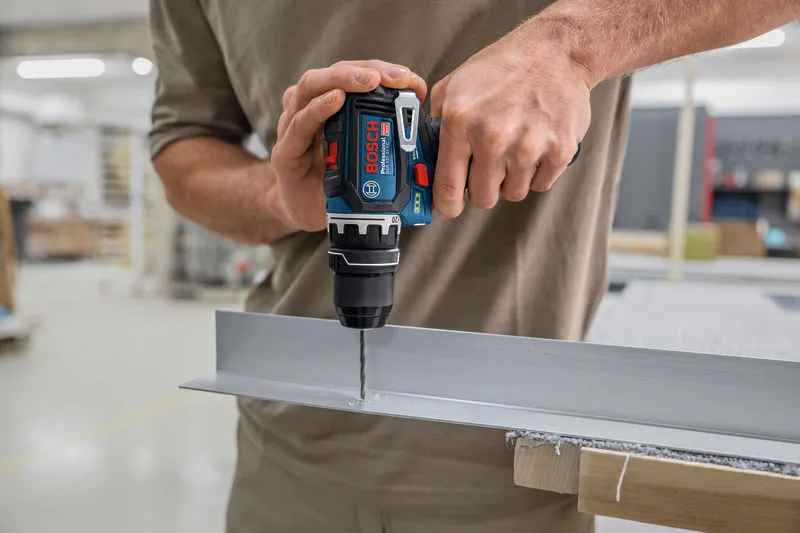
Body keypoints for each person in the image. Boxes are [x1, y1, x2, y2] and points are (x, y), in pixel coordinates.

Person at [148, 1, 800, 531]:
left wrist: (570, 44)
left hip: (519, 460)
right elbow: (183, 146)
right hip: (287, 444)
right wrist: (278, 194)